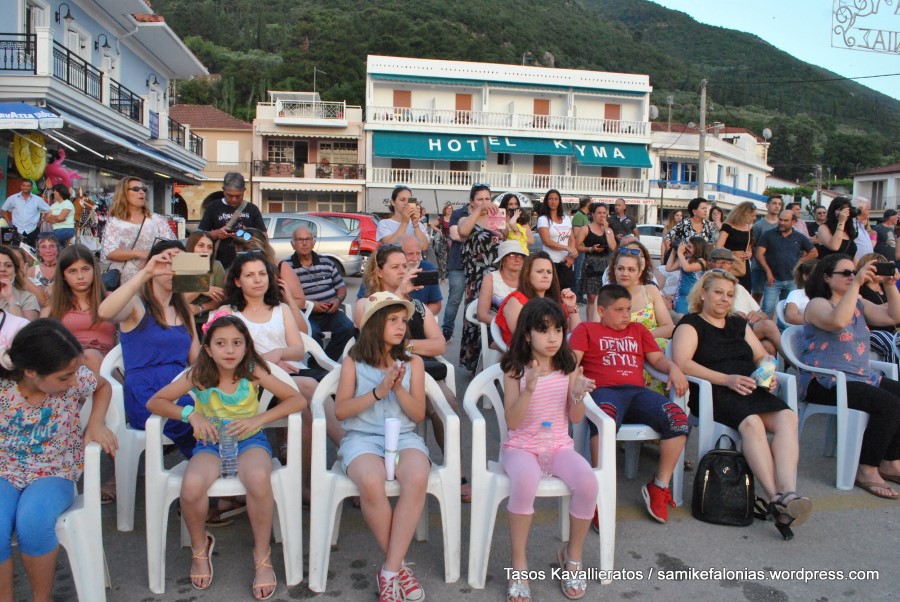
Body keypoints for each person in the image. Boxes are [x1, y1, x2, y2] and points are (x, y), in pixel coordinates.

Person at [147, 315, 304, 598]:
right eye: (221, 343)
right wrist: (190, 414)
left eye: (236, 343)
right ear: (208, 348)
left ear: (246, 347)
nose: (229, 350)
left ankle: (262, 554)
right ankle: (199, 547)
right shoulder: (198, 374)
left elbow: (297, 399)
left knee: (258, 478)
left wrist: (260, 420)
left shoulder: (253, 371)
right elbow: (155, 401)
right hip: (211, 444)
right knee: (192, 484)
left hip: (249, 440)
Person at [672, 270, 811, 538]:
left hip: (748, 387)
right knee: (752, 423)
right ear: (703, 293)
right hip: (714, 390)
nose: (725, 299)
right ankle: (775, 498)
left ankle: (788, 491)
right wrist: (727, 379)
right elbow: (683, 363)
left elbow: (761, 356)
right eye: (718, 292)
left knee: (787, 418)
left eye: (730, 294)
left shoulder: (737, 323)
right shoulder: (691, 324)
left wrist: (766, 375)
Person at [0, 319, 117, 601]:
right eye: (65, 377)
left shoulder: (75, 379)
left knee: (33, 521)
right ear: (29, 371)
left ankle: (43, 597)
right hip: (4, 470)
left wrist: (96, 422)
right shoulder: (4, 389)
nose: (75, 381)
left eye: (75, 372)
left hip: (54, 471)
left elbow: (103, 387)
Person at [498, 297, 597, 602]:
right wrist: (529, 387)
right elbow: (513, 421)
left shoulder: (567, 366)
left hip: (557, 445)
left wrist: (577, 396)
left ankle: (572, 556)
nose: (553, 338)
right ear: (527, 334)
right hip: (521, 447)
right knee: (525, 481)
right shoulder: (514, 369)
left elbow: (575, 419)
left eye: (557, 330)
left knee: (587, 483)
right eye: (544, 331)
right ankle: (518, 564)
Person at [334, 292, 430, 602]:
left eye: (403, 321)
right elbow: (341, 411)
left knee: (416, 476)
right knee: (371, 481)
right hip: (362, 438)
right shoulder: (353, 361)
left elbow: (418, 414)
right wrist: (378, 392)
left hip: (404, 437)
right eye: (393, 320)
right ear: (376, 324)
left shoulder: (413, 362)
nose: (401, 327)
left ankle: (389, 570)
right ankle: (400, 566)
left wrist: (398, 387)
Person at [571, 285, 688, 526]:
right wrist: (576, 378)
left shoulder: (638, 330)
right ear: (601, 311)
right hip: (603, 392)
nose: (627, 315)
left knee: (677, 418)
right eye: (619, 310)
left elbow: (657, 359)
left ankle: (659, 486)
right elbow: (572, 360)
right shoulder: (587, 329)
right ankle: (597, 492)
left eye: (628, 309)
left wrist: (674, 369)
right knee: (606, 420)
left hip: (636, 393)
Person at [797, 254, 900, 499]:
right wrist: (856, 285)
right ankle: (866, 468)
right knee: (888, 405)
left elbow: (892, 317)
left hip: (861, 377)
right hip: (824, 381)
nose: (851, 276)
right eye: (844, 273)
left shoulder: (859, 302)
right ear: (825, 277)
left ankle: (891, 461)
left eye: (853, 272)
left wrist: (889, 285)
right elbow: (838, 321)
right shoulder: (817, 304)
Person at [98, 239, 200, 456]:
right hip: (146, 393)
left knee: (226, 415)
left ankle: (207, 475)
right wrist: (146, 272)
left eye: (181, 263)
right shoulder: (137, 305)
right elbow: (104, 312)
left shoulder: (183, 310)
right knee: (202, 426)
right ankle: (206, 474)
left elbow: (197, 360)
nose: (173, 269)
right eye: (167, 262)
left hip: (180, 388)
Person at [286, 226, 355, 361]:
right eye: (300, 240)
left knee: (349, 329)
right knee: (313, 334)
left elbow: (341, 288)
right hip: (305, 314)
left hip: (330, 311)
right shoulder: (287, 267)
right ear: (292, 244)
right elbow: (287, 297)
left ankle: (322, 363)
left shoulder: (327, 263)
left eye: (308, 239)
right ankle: (322, 364)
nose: (304, 243)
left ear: (313, 242)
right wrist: (309, 305)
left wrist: (338, 301)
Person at [457, 184, 505, 372]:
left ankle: (493, 362)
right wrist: (477, 212)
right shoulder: (465, 218)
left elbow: (503, 240)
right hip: (476, 275)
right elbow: (463, 233)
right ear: (472, 201)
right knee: (475, 318)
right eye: (480, 199)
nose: (485, 203)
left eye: (487, 199)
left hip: (495, 275)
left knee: (495, 316)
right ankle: (472, 363)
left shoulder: (496, 218)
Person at [707, 248, 783, 357]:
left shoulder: (739, 288)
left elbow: (764, 315)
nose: (723, 266)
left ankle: (768, 374)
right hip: (724, 332)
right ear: (709, 264)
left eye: (728, 262)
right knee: (767, 325)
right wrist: (731, 316)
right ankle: (798, 364)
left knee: (768, 346)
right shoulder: (704, 287)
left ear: (732, 266)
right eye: (719, 262)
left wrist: (758, 316)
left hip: (746, 329)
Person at [100, 176, 176, 285]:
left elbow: (171, 245)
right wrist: (140, 253)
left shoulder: (156, 220)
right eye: (136, 189)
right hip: (124, 279)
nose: (141, 192)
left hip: (153, 275)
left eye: (143, 189)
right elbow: (109, 251)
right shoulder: (114, 222)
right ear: (124, 193)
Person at [496, 251, 580, 348]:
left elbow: (577, 336)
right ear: (527, 274)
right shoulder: (516, 301)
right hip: (525, 356)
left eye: (549, 272)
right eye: (539, 271)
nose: (545, 275)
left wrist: (571, 308)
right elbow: (522, 339)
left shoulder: (552, 300)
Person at [357, 236, 442, 317]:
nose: (415, 258)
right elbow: (367, 319)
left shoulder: (427, 268)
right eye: (410, 254)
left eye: (418, 253)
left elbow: (436, 303)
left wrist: (418, 317)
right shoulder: (367, 292)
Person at [197, 173, 266, 270]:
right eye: (230, 196)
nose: (234, 199)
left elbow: (263, 237)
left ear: (244, 191)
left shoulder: (252, 209)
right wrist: (218, 233)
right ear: (224, 190)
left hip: (248, 262)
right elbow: (198, 236)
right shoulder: (213, 207)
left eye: (238, 196)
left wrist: (246, 235)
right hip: (220, 263)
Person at [754, 210, 817, 316]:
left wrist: (800, 261)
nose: (782, 222)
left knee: (787, 311)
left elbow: (814, 252)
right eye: (780, 219)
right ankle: (764, 331)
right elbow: (759, 254)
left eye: (785, 220)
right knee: (767, 309)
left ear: (794, 222)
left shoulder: (799, 237)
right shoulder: (768, 235)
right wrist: (768, 272)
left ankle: (782, 332)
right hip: (773, 279)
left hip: (792, 280)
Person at [855, 253, 900, 364]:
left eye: (883, 267)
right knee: (888, 340)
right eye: (877, 267)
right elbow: (870, 310)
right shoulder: (859, 289)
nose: (880, 271)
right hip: (873, 331)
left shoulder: (886, 288)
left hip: (893, 329)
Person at [576, 202, 617, 321]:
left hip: (606, 264)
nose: (602, 215)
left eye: (604, 213)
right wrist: (590, 249)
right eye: (599, 213)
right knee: (591, 297)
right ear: (593, 214)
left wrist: (607, 230)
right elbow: (577, 246)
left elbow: (613, 247)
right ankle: (590, 324)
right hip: (591, 264)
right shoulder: (585, 228)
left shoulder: (609, 230)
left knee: (604, 296)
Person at [183, 230, 227, 332]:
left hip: (208, 320)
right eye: (201, 246)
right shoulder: (182, 265)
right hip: (182, 320)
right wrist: (201, 288)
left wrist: (200, 309)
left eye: (210, 247)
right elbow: (180, 301)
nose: (205, 251)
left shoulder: (216, 266)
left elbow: (220, 299)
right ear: (191, 247)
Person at [477, 240, 527, 329]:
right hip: (497, 328)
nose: (517, 259)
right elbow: (482, 315)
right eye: (512, 255)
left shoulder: (527, 279)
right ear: (502, 261)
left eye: (520, 255)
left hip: (524, 329)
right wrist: (506, 327)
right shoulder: (490, 278)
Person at [536, 189, 577, 292]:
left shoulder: (566, 218)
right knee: (551, 293)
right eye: (550, 199)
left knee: (565, 293)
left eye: (556, 199)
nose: (553, 201)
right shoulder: (543, 219)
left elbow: (571, 238)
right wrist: (566, 248)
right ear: (546, 201)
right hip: (550, 262)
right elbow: (546, 241)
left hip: (565, 262)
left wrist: (571, 256)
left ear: (559, 201)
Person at [716, 201, 756, 290]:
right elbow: (719, 245)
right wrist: (732, 255)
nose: (754, 218)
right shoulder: (728, 226)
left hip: (742, 264)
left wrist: (749, 253)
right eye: (752, 215)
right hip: (729, 263)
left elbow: (748, 246)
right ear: (744, 214)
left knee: (744, 291)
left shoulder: (749, 228)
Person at [666, 235, 710, 317]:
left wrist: (680, 253)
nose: (686, 248)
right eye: (687, 246)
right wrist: (674, 251)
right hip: (680, 297)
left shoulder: (702, 261)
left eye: (690, 247)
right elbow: (668, 268)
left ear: (698, 249)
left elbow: (687, 268)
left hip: (692, 299)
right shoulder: (685, 259)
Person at [375, 185, 429, 251]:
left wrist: (415, 224)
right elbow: (389, 247)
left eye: (409, 200)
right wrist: (404, 223)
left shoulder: (418, 224)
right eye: (402, 200)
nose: (406, 203)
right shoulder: (384, 223)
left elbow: (424, 247)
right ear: (393, 202)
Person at [750, 195, 783, 301]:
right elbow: (752, 245)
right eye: (774, 203)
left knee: (771, 299)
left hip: (776, 267)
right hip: (759, 267)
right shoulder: (759, 225)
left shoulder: (783, 225)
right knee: (756, 296)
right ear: (767, 206)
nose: (777, 206)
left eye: (779, 204)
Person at [2, 179, 49, 248]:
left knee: (32, 251)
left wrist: (41, 221)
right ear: (21, 186)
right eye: (24, 185)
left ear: (31, 188)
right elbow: (4, 209)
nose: (25, 187)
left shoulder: (37, 199)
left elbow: (48, 210)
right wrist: (9, 223)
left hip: (32, 229)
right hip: (17, 229)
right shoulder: (13, 198)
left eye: (28, 186)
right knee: (16, 251)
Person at [0, 246, 40, 320]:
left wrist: (11, 299)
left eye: (8, 265)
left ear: (15, 271)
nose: (2, 269)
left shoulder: (27, 298)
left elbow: (25, 330)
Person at [27, 232, 60, 307]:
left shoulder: (64, 269)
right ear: (39, 252)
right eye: (43, 247)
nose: (48, 250)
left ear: (57, 250)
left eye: (52, 246)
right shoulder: (32, 271)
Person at [783, 259, 818, 326]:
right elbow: (790, 317)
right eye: (816, 274)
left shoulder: (828, 294)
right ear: (805, 277)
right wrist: (818, 321)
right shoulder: (797, 294)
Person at [570, 196, 592, 302]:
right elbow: (576, 233)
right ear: (587, 204)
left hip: (584, 248)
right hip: (580, 248)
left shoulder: (585, 216)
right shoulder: (579, 216)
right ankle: (576, 296)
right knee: (577, 274)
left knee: (582, 273)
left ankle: (579, 295)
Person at [431, 202, 453, 281]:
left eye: (451, 209)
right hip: (444, 239)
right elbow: (432, 225)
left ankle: (450, 275)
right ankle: (443, 277)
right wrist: (439, 231)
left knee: (451, 257)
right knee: (443, 258)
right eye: (448, 208)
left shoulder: (454, 218)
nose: (449, 210)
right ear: (445, 210)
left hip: (452, 239)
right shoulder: (442, 218)